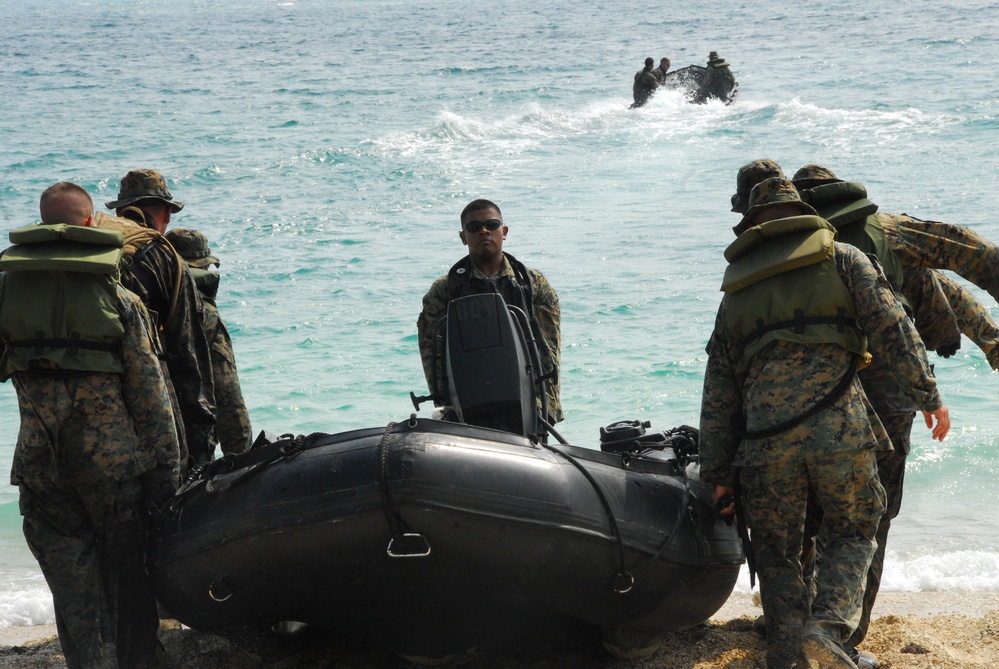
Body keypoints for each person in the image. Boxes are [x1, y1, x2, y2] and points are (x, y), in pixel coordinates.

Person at [699, 177, 949, 669]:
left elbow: (719, 390)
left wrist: (718, 473)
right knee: (856, 527)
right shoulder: (843, 259)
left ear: (753, 227)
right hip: (840, 430)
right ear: (802, 213)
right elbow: (893, 328)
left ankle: (791, 655)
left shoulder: (736, 293)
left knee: (776, 552)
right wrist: (928, 395)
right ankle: (828, 629)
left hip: (763, 444)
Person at [0, 182, 181, 668]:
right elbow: (151, 400)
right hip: (114, 471)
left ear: (41, 229)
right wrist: (168, 480)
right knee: (127, 588)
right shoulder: (119, 299)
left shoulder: (6, 295)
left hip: (42, 468)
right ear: (88, 226)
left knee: (74, 597)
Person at [98, 169, 216, 466]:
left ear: (121, 211)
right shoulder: (165, 259)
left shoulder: (91, 249)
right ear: (166, 213)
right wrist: (202, 446)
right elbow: (189, 357)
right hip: (146, 408)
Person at [416, 198, 563, 425]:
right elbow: (431, 353)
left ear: (503, 231)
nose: (484, 231)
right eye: (474, 228)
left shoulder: (532, 283)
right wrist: (444, 408)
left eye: (491, 225)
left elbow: (548, 349)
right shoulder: (445, 290)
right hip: (469, 399)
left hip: (525, 400)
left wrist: (548, 408)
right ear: (463, 237)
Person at [165, 228, 253, 456]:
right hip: (193, 443)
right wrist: (244, 462)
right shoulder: (203, 313)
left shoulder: (143, 298)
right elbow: (228, 398)